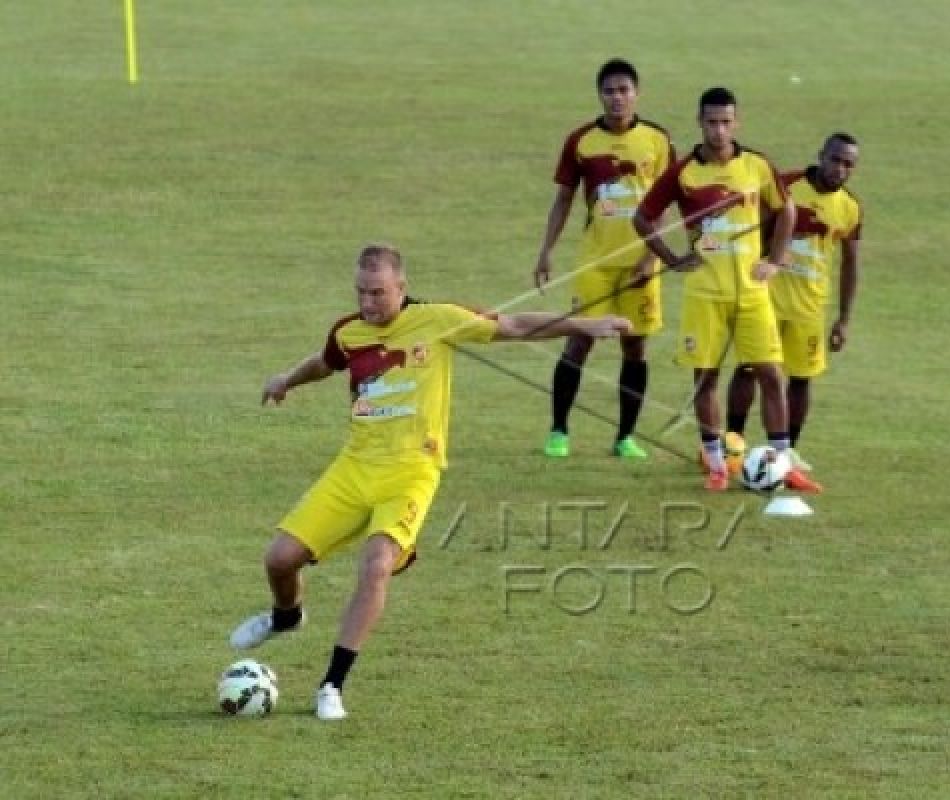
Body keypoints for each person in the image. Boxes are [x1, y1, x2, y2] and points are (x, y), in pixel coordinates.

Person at [229, 245, 631, 720]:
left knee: (376, 565)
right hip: (353, 467)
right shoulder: (349, 331)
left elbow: (516, 326)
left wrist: (582, 325)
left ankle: (332, 684)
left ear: (401, 288)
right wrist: (285, 380)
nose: (369, 302)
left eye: (378, 292)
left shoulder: (439, 320)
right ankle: (287, 616)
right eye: (361, 291)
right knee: (279, 560)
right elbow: (325, 361)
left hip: (411, 473)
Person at [632, 87, 805, 492]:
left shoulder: (757, 166)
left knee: (771, 373)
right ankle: (714, 461)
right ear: (700, 122)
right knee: (705, 377)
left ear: (736, 123)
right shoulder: (683, 173)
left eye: (726, 122)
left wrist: (775, 259)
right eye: (712, 122)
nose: (719, 130)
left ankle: (782, 460)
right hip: (704, 292)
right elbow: (642, 218)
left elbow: (786, 210)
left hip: (751, 291)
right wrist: (673, 260)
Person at [533, 58, 675, 461]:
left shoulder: (658, 141)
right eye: (609, 91)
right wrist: (546, 250)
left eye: (624, 90)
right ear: (600, 95)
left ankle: (625, 437)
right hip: (594, 261)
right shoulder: (581, 141)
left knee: (635, 346)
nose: (617, 98)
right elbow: (563, 199)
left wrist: (651, 258)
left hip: (641, 264)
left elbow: (664, 206)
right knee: (578, 341)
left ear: (637, 93)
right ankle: (559, 430)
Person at [725, 133, 862, 489]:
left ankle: (787, 456)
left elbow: (850, 264)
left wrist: (844, 319)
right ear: (821, 155)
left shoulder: (850, 208)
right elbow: (755, 230)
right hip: (766, 299)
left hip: (809, 308)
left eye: (848, 164)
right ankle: (731, 445)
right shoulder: (786, 185)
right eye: (835, 160)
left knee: (800, 379)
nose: (840, 169)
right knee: (749, 369)